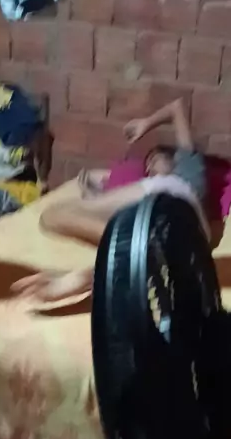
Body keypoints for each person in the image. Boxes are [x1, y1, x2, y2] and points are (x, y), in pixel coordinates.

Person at [12, 98, 207, 303]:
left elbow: (177, 107)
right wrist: (92, 192)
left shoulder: (187, 166)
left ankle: (133, 255)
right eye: (147, 167)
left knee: (51, 216)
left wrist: (146, 124)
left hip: (175, 208)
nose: (149, 168)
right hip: (181, 240)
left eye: (154, 160)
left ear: (172, 159)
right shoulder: (156, 195)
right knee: (54, 218)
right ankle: (104, 271)